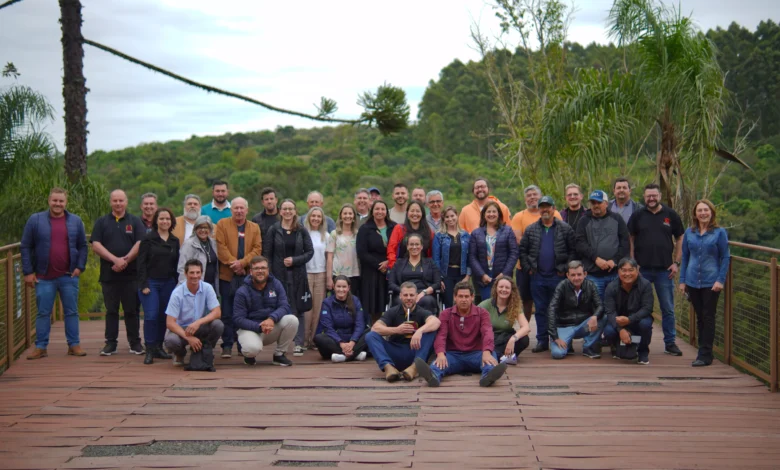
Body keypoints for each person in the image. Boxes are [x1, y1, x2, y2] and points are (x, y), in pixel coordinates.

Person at [21, 188, 88, 360]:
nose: (58, 204)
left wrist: (80, 267)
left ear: (66, 203)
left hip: (69, 276)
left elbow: (82, 246)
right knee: (43, 312)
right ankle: (41, 347)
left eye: (61, 201)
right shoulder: (35, 220)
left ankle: (74, 345)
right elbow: (26, 246)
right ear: (49, 201)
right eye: (55, 201)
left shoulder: (75, 221)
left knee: (71, 312)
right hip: (43, 277)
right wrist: (28, 272)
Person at [415, 282, 508, 387]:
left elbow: (488, 333)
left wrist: (486, 351)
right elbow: (441, 335)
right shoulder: (446, 314)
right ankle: (433, 376)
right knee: (438, 363)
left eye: (467, 296)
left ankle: (488, 377)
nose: (464, 299)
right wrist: (440, 354)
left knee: (490, 357)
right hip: (453, 355)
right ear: (455, 297)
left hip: (476, 354)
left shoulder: (482, 313)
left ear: (472, 297)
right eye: (460, 296)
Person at [629, 183, 685, 357]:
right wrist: (633, 263)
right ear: (644, 197)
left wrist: (676, 262)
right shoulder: (638, 215)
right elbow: (630, 238)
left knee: (667, 308)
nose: (651, 199)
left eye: (654, 195)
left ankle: (670, 343)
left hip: (664, 270)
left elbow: (681, 237)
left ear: (659, 196)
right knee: (636, 307)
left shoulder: (670, 214)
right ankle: (636, 342)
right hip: (642, 270)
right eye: (648, 196)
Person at [90, 189, 146, 356]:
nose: (118, 204)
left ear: (126, 202)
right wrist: (115, 260)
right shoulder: (101, 222)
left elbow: (140, 243)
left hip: (131, 274)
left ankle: (135, 343)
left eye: (121, 200)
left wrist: (125, 260)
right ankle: (110, 344)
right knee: (111, 310)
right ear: (110, 202)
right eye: (115, 200)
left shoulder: (135, 221)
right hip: (109, 274)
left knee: (132, 310)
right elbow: (96, 245)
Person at [518, 196, 575, 353]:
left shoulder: (565, 228)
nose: (545, 210)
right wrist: (529, 267)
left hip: (558, 276)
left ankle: (561, 340)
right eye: (542, 207)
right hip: (538, 277)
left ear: (554, 208)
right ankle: (542, 341)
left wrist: (565, 268)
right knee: (541, 309)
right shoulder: (531, 229)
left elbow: (572, 251)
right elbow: (522, 251)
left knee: (559, 309)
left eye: (548, 206)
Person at [679, 199, 730, 367]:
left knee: (708, 317)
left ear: (711, 212)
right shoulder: (689, 232)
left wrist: (720, 280)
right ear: (695, 214)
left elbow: (725, 257)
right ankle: (704, 351)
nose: (703, 213)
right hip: (693, 280)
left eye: (706, 210)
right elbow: (685, 256)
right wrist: (682, 280)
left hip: (711, 281)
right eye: (700, 210)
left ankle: (705, 354)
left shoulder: (719, 232)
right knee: (700, 317)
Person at [263, 199, 314, 357]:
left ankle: (299, 343)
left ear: (295, 211)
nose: (287, 212)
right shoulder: (274, 229)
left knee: (298, 308)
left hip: (298, 274)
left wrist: (295, 260)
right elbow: (267, 254)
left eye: (290, 209)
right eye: (285, 209)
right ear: (280, 211)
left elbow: (309, 252)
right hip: (278, 276)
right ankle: (282, 344)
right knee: (281, 308)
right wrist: (269, 274)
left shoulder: (302, 230)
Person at [215, 197, 262, 358]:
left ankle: (243, 345)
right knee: (227, 311)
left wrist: (242, 264)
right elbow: (220, 247)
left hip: (247, 276)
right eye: (236, 208)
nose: (239, 211)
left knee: (246, 312)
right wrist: (233, 264)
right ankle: (227, 344)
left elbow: (257, 249)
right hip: (227, 275)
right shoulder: (222, 224)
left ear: (247, 210)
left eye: (242, 208)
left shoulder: (254, 227)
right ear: (231, 210)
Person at [365, 282, 441, 382]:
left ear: (417, 296)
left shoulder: (422, 311)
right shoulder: (393, 311)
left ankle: (414, 368)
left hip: (416, 353)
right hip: (395, 352)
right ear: (400, 296)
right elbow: (375, 328)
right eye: (405, 295)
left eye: (411, 295)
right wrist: (397, 330)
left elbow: (436, 322)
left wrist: (419, 331)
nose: (408, 298)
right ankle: (388, 368)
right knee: (370, 336)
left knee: (432, 332)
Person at [233, 256, 297, 366]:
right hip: (251, 328)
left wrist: (272, 319)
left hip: (271, 326)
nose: (260, 271)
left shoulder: (276, 284)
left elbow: (285, 305)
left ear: (268, 270)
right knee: (251, 349)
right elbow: (238, 319)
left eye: (263, 268)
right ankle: (249, 356)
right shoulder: (242, 291)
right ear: (251, 272)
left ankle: (279, 355)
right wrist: (259, 326)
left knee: (292, 320)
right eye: (256, 268)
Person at [511, 186, 562, 321]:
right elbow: (518, 240)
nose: (532, 197)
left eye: (535, 194)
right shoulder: (518, 216)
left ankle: (553, 331)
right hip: (525, 267)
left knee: (552, 301)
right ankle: (525, 331)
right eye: (529, 195)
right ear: (525, 199)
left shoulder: (555, 214)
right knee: (525, 300)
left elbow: (560, 238)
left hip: (550, 267)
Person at [137, 208, 180, 364]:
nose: (165, 221)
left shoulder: (175, 241)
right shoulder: (148, 239)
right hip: (151, 283)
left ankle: (158, 347)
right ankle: (149, 348)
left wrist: (177, 285)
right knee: (151, 315)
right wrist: (143, 284)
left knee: (164, 316)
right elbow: (140, 264)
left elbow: (176, 265)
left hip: (169, 283)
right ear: (156, 221)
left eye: (167, 219)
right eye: (161, 219)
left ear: (171, 221)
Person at [164, 259, 224, 366]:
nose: (195, 276)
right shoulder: (177, 293)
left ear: (201, 273)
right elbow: (170, 323)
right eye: (191, 273)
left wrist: (198, 322)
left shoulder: (207, 288)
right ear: (185, 274)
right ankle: (180, 354)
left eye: (198, 272)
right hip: (182, 329)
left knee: (218, 325)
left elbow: (217, 312)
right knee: (170, 341)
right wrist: (188, 337)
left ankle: (205, 351)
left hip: (199, 326)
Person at [575, 190, 630, 300]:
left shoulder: (617, 219)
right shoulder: (584, 220)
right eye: (593, 203)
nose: (595, 205)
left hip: (614, 273)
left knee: (615, 306)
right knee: (596, 308)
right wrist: (596, 259)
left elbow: (625, 242)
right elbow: (580, 243)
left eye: (599, 202)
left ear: (606, 203)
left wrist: (615, 261)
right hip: (593, 274)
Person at [547, 261, 606, 359]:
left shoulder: (590, 285)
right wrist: (555, 337)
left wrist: (595, 316)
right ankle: (567, 343)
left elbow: (600, 305)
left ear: (585, 274)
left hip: (583, 326)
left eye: (579, 274)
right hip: (564, 326)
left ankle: (588, 347)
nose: (576, 278)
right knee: (557, 354)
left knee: (603, 318)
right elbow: (551, 310)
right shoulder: (562, 286)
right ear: (567, 275)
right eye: (573, 275)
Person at [603, 258, 654, 365]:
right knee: (608, 331)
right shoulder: (611, 287)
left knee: (646, 324)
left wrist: (630, 320)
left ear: (637, 270)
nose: (627, 274)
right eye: (624, 270)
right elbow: (610, 311)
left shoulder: (645, 285)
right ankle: (616, 346)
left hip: (637, 320)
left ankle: (643, 351)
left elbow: (647, 308)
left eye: (631, 270)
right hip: (619, 321)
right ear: (618, 271)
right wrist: (621, 329)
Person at [356, 200, 397, 324]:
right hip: (371, 271)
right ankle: (373, 330)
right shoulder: (365, 228)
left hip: (391, 269)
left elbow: (399, 248)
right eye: (377, 209)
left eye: (382, 209)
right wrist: (379, 265)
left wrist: (388, 263)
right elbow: (361, 252)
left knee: (390, 302)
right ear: (372, 211)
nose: (380, 212)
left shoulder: (394, 227)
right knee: (373, 304)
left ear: (386, 211)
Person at [469, 201, 518, 301]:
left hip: (503, 277)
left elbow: (514, 253)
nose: (491, 214)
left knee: (504, 306)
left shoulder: (507, 231)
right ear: (484, 215)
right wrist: (482, 275)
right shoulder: (476, 233)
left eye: (494, 212)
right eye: (488, 212)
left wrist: (504, 274)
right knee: (488, 306)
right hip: (484, 278)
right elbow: (472, 256)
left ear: (499, 214)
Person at [314, 276, 369, 362]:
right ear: (333, 287)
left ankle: (343, 356)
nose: (341, 290)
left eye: (344, 287)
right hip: (335, 341)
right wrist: (341, 343)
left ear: (349, 288)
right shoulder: (327, 303)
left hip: (352, 339)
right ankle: (355, 354)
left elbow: (360, 324)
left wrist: (352, 342)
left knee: (371, 332)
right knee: (319, 338)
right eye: (338, 286)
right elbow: (327, 327)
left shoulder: (355, 300)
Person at [477, 278, 530, 365]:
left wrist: (513, 339)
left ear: (511, 290)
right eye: (501, 287)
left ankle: (499, 357)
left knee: (524, 339)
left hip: (505, 338)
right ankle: (502, 358)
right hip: (489, 338)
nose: (504, 290)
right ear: (496, 288)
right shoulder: (486, 304)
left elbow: (526, 327)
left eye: (507, 287)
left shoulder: (515, 306)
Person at [388, 234, 442, 314]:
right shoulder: (398, 263)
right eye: (411, 244)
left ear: (422, 246)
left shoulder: (430, 263)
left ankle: (426, 325)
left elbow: (437, 283)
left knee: (427, 301)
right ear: (407, 246)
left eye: (417, 244)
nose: (414, 247)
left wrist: (424, 292)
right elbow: (391, 283)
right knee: (399, 301)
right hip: (403, 293)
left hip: (424, 294)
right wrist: (403, 293)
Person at [433, 206, 470, 309]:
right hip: (446, 275)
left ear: (457, 216)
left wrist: (467, 276)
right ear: (443, 219)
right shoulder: (439, 236)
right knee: (449, 303)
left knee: (463, 303)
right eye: (447, 217)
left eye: (452, 216)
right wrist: (439, 278)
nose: (450, 219)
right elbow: (436, 259)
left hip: (462, 274)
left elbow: (469, 257)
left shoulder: (465, 235)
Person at [303, 207, 328, 350]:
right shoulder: (303, 233)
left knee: (318, 308)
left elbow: (328, 257)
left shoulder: (326, 236)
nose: (316, 219)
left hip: (321, 273)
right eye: (313, 216)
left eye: (319, 216)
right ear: (309, 217)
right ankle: (304, 340)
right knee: (307, 308)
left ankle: (313, 340)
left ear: (322, 219)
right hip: (306, 273)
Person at [177, 216, 219, 294]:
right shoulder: (188, 244)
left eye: (205, 227)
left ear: (210, 229)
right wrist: (186, 288)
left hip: (211, 286)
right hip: (194, 286)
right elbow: (182, 268)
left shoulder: (213, 243)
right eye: (200, 227)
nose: (203, 230)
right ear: (195, 229)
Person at [387, 201, 434, 269]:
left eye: (418, 211)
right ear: (407, 213)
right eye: (412, 211)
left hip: (423, 270)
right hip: (401, 269)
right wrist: (394, 267)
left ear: (422, 214)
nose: (415, 214)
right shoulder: (399, 229)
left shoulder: (429, 232)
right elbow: (391, 249)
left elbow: (431, 254)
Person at [326, 203, 360, 295]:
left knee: (352, 303)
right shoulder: (334, 234)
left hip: (355, 273)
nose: (347, 216)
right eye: (345, 213)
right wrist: (329, 278)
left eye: (350, 214)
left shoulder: (358, 234)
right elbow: (329, 257)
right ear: (341, 216)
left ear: (354, 217)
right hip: (338, 274)